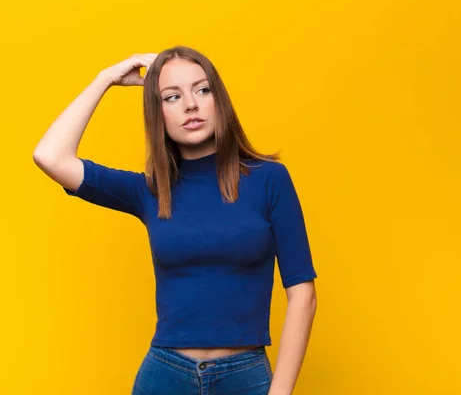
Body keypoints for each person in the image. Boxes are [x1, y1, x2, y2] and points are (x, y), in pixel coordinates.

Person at [33, 46, 318, 395]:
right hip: (165, 376)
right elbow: (49, 156)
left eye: (202, 90)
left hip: (246, 377)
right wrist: (105, 79)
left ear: (219, 100)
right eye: (172, 96)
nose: (190, 105)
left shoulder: (269, 180)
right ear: (159, 114)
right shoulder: (148, 191)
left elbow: (303, 293)